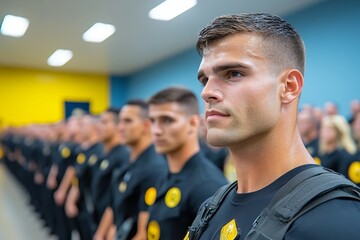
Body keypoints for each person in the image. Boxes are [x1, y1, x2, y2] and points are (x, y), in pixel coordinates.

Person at [188, 13, 360, 239]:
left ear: (289, 87)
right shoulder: (212, 206)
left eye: (233, 73)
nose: (207, 92)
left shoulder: (335, 220)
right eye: (204, 80)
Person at [147, 87, 228, 240]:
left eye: (167, 120)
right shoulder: (168, 174)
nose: (156, 130)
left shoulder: (207, 185)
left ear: (193, 123)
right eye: (152, 121)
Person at [93, 100, 167, 240]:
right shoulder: (130, 162)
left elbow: (144, 233)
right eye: (120, 121)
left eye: (127, 121)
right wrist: (100, 233)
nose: (120, 127)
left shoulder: (153, 168)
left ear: (145, 126)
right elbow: (113, 204)